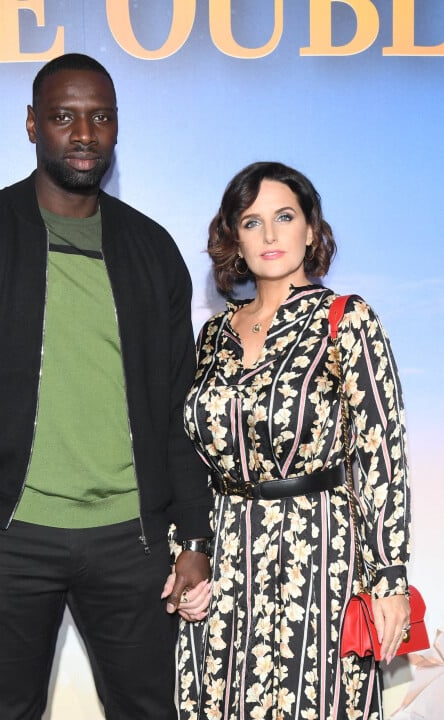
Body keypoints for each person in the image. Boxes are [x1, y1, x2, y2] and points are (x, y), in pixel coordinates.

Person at [0, 53, 213, 720]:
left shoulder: (152, 251)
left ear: (117, 128)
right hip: (6, 542)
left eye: (100, 117)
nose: (83, 133)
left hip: (133, 540)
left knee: (153, 710)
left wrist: (195, 537)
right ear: (32, 124)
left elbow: (176, 408)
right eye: (63, 116)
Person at [173, 161, 411, 719]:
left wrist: (390, 579)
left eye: (285, 217)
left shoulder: (346, 319)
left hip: (320, 556)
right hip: (228, 559)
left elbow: (383, 456)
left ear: (311, 230)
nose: (271, 235)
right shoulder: (212, 335)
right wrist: (186, 550)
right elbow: (188, 456)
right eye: (252, 222)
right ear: (234, 237)